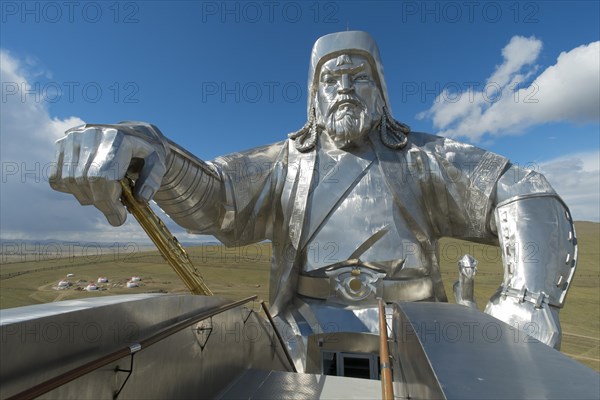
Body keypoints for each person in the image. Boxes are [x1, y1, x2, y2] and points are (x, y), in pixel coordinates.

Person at [49, 31, 577, 369]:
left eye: (359, 77)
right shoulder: (284, 162)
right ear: (315, 94)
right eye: (332, 79)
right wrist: (148, 147)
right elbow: (217, 199)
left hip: (417, 329)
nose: (344, 87)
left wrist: (527, 303)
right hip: (302, 330)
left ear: (380, 90)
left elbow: (523, 187)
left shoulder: (421, 158)